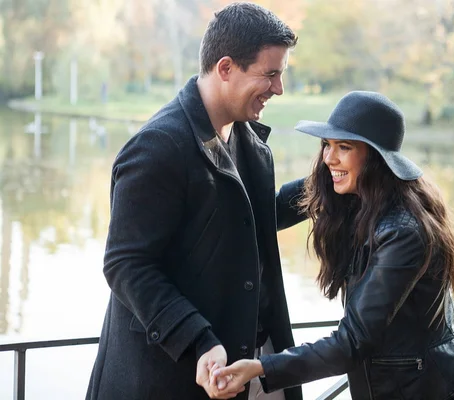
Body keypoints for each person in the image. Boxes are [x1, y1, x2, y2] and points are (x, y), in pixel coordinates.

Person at [86, 3, 305, 400]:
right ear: (225, 68)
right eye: (270, 74)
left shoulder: (247, 138)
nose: (278, 88)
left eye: (281, 74)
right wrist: (198, 340)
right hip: (165, 380)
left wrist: (322, 190)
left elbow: (244, 221)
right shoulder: (157, 147)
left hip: (241, 374)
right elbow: (126, 264)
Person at [211, 91, 454, 399]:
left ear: (375, 158)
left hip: (425, 390)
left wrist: (262, 368)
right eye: (327, 144)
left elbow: (352, 341)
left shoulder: (404, 232)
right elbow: (264, 214)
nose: (329, 157)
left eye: (344, 147)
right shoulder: (345, 188)